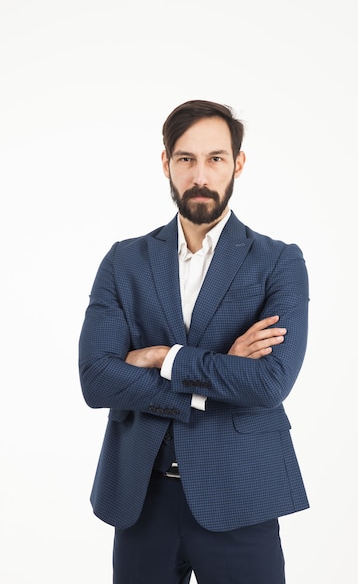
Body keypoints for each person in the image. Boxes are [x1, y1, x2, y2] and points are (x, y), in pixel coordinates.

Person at [79, 99, 309, 584]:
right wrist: (217, 375)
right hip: (143, 499)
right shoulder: (124, 261)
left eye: (215, 159)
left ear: (238, 164)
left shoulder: (278, 262)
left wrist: (165, 357)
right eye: (186, 159)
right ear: (166, 163)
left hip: (242, 496)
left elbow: (270, 381)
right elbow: (97, 378)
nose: (200, 174)